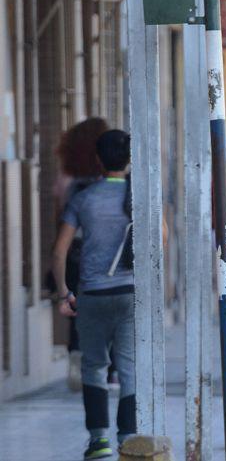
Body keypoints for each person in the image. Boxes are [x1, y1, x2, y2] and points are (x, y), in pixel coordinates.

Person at [52, 129, 136, 460]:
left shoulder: (83, 199)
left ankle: (99, 440)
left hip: (91, 294)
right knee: (128, 366)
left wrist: (63, 293)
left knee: (94, 366)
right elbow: (160, 238)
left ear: (98, 160)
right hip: (130, 292)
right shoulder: (138, 195)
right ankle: (128, 437)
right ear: (129, 160)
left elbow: (59, 252)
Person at [49, 117, 110, 391]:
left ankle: (78, 364)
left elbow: (59, 217)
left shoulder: (67, 179)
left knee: (76, 310)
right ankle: (107, 368)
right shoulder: (106, 179)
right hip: (102, 252)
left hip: (74, 252)